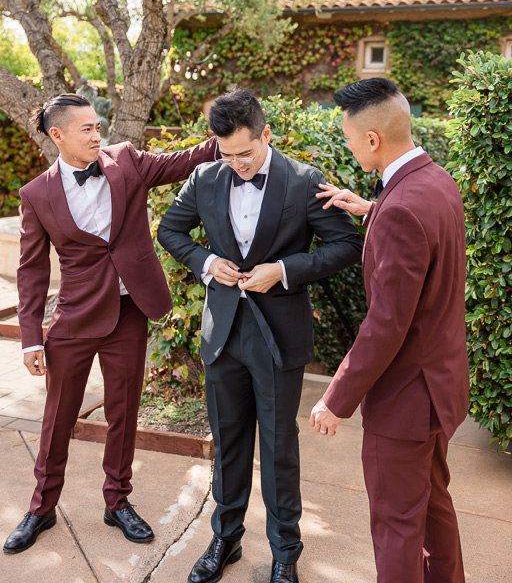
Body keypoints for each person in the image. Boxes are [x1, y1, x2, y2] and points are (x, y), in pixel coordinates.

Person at [157, 89, 363, 583]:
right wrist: (206, 262)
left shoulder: (303, 180)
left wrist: (284, 270)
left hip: (278, 335)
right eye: (226, 155)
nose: (237, 165)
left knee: (276, 446)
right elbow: (170, 230)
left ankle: (285, 551)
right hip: (222, 332)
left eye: (245, 153)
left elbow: (347, 244)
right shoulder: (205, 177)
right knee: (227, 443)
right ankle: (224, 540)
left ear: (266, 134)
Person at [3, 93, 216, 554]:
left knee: (124, 413)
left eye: (98, 126)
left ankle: (117, 502)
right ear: (57, 135)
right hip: (74, 319)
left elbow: (182, 162)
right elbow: (32, 271)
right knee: (58, 418)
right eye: (87, 129)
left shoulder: (125, 161)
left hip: (128, 313)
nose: (97, 135)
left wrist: (229, 132)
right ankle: (41, 508)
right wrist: (29, 339)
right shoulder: (36, 194)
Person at [310, 78, 468, 583]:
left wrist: (335, 398)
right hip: (440, 389)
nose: (350, 145)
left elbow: (386, 325)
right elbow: (419, 234)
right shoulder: (435, 181)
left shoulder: (401, 207)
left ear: (373, 138)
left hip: (405, 401)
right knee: (433, 510)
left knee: (397, 527)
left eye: (351, 138)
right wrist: (370, 209)